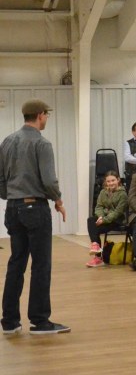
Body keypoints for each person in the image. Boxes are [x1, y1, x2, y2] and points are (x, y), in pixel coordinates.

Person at [0, 100, 68, 335]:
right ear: (40, 115)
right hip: (35, 208)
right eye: (46, 115)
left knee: (16, 263)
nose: (47, 118)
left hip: (13, 208)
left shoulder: (7, 141)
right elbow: (49, 180)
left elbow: (0, 179)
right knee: (41, 265)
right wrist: (58, 200)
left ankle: (9, 321)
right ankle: (40, 321)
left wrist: (11, 196)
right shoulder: (41, 142)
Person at [86, 171, 128, 267]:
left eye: (113, 180)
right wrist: (100, 216)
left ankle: (98, 258)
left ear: (118, 180)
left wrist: (104, 220)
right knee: (91, 220)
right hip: (105, 218)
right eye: (108, 181)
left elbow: (118, 212)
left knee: (94, 229)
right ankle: (96, 245)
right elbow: (98, 207)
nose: (111, 183)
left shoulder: (123, 194)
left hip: (117, 220)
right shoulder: (103, 192)